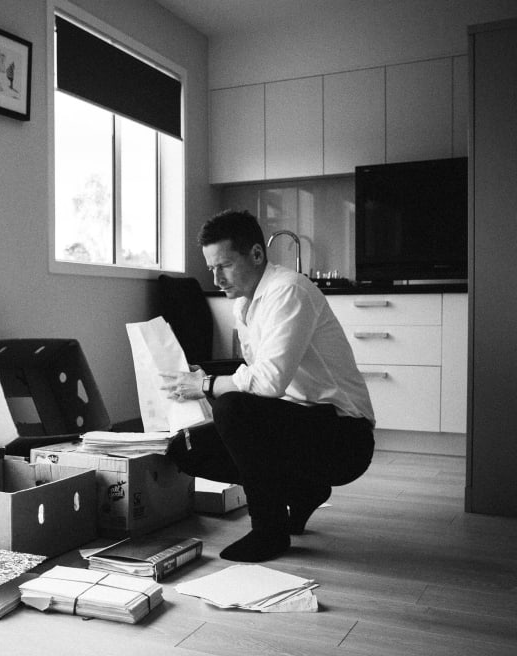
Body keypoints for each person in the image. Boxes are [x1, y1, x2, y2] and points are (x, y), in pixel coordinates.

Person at [160, 209, 375, 562]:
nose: (216, 279)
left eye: (225, 266)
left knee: (231, 405)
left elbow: (269, 381)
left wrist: (208, 384)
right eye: (212, 268)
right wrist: (203, 377)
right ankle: (303, 491)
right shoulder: (244, 302)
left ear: (257, 254)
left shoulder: (288, 291)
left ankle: (269, 532)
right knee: (185, 449)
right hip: (295, 422)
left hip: (344, 436)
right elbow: (254, 372)